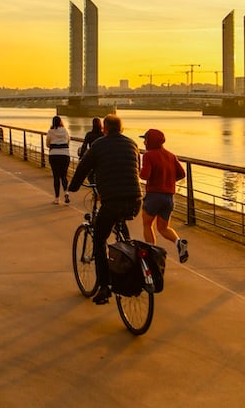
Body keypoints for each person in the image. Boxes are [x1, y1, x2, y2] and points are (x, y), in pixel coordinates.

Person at [68, 114, 143, 305]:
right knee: (120, 225)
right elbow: (138, 169)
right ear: (122, 128)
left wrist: (73, 187)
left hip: (112, 201)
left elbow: (83, 167)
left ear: (105, 129)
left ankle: (104, 287)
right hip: (135, 200)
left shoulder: (99, 145)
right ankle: (127, 249)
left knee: (100, 239)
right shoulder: (133, 144)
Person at [139, 129, 189, 263]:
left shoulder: (149, 155)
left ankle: (152, 254)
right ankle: (178, 242)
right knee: (163, 228)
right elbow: (182, 173)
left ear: (150, 141)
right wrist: (169, 181)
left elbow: (144, 175)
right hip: (168, 197)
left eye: (145, 139)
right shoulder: (171, 156)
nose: (143, 142)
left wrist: (138, 169)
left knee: (147, 224)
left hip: (154, 196)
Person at [45, 115, 72, 204]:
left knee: (56, 177)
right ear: (61, 122)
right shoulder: (65, 131)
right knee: (63, 175)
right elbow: (68, 141)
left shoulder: (50, 131)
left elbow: (47, 144)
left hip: (54, 155)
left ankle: (57, 199)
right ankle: (66, 193)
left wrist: (53, 145)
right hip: (64, 155)